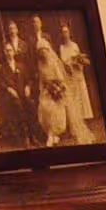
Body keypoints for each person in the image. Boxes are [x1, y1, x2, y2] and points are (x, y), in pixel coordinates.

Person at [0, 18, 34, 146]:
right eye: (6, 51)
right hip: (12, 96)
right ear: (4, 53)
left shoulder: (21, 65)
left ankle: (33, 135)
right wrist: (9, 89)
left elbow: (28, 79)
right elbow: (1, 83)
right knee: (18, 105)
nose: (8, 53)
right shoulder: (3, 69)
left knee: (30, 104)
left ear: (13, 52)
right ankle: (25, 138)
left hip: (23, 92)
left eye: (10, 51)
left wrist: (28, 87)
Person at [33, 17, 68, 146]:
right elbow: (42, 81)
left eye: (45, 51)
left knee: (54, 108)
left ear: (48, 51)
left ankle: (52, 135)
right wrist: (42, 91)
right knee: (43, 106)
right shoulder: (40, 65)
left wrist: (57, 88)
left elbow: (60, 79)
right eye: (40, 52)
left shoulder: (53, 63)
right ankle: (51, 134)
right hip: (46, 91)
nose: (43, 54)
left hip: (56, 90)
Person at [58, 21, 94, 143]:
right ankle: (75, 126)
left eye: (66, 31)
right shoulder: (62, 48)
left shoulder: (74, 45)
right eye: (63, 32)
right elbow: (63, 62)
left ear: (69, 32)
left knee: (82, 98)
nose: (65, 34)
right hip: (70, 76)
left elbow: (80, 58)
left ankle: (86, 123)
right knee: (74, 100)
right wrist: (70, 64)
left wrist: (79, 62)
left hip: (78, 75)